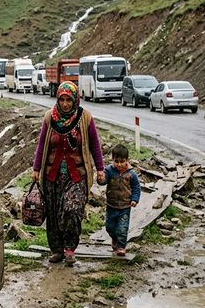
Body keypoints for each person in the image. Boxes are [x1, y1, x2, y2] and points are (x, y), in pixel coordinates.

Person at [31, 81, 104, 266]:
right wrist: (36, 169)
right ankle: (57, 250)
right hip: (52, 176)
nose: (65, 104)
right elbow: (41, 146)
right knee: (54, 215)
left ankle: (70, 248)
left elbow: (95, 145)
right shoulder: (50, 118)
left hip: (76, 176)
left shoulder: (85, 118)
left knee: (72, 209)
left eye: (68, 100)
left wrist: (101, 169)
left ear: (75, 100)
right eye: (62, 99)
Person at [102, 144, 141, 256]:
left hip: (125, 206)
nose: (119, 164)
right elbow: (103, 181)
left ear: (127, 160)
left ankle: (121, 246)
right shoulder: (109, 171)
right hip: (111, 205)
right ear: (112, 159)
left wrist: (134, 199)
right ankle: (114, 238)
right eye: (116, 161)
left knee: (122, 228)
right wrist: (100, 179)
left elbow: (136, 187)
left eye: (122, 161)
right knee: (109, 227)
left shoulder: (131, 173)